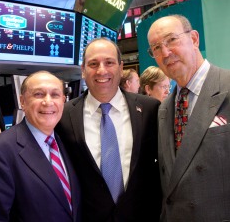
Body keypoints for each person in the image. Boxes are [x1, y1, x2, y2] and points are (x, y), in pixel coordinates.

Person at [56, 37, 162, 222]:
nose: (101, 70)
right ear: (83, 70)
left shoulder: (150, 109)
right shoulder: (63, 116)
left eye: (109, 62)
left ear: (121, 68)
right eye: (93, 64)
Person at [147, 14, 230, 222]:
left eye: (171, 40)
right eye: (156, 48)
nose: (165, 53)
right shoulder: (164, 108)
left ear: (194, 39)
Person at [0, 71, 81, 221]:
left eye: (55, 95)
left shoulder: (68, 142)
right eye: (38, 94)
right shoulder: (3, 149)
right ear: (22, 101)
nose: (48, 102)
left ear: (64, 100)